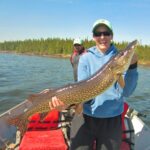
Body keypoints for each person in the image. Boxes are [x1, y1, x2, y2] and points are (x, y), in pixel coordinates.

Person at [49, 19, 138, 150]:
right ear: (93, 36)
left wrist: (133, 66)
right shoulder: (85, 58)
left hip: (112, 120)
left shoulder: (118, 60)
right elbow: (83, 91)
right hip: (86, 117)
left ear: (111, 35)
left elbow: (127, 92)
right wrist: (67, 103)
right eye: (98, 33)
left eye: (106, 33)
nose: (102, 37)